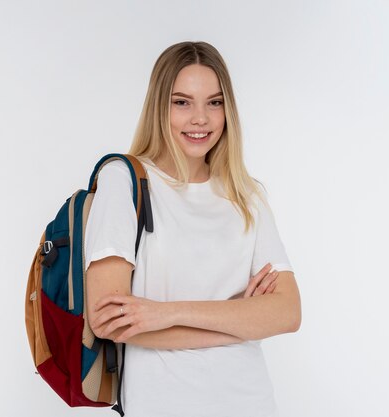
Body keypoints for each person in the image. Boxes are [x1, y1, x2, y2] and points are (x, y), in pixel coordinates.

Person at [84, 41, 302, 417]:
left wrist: (166, 313)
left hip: (249, 402)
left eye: (214, 102)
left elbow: (288, 312)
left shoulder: (245, 195)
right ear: (159, 108)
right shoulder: (124, 181)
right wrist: (240, 321)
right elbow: (109, 320)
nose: (200, 118)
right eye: (182, 102)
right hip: (163, 404)